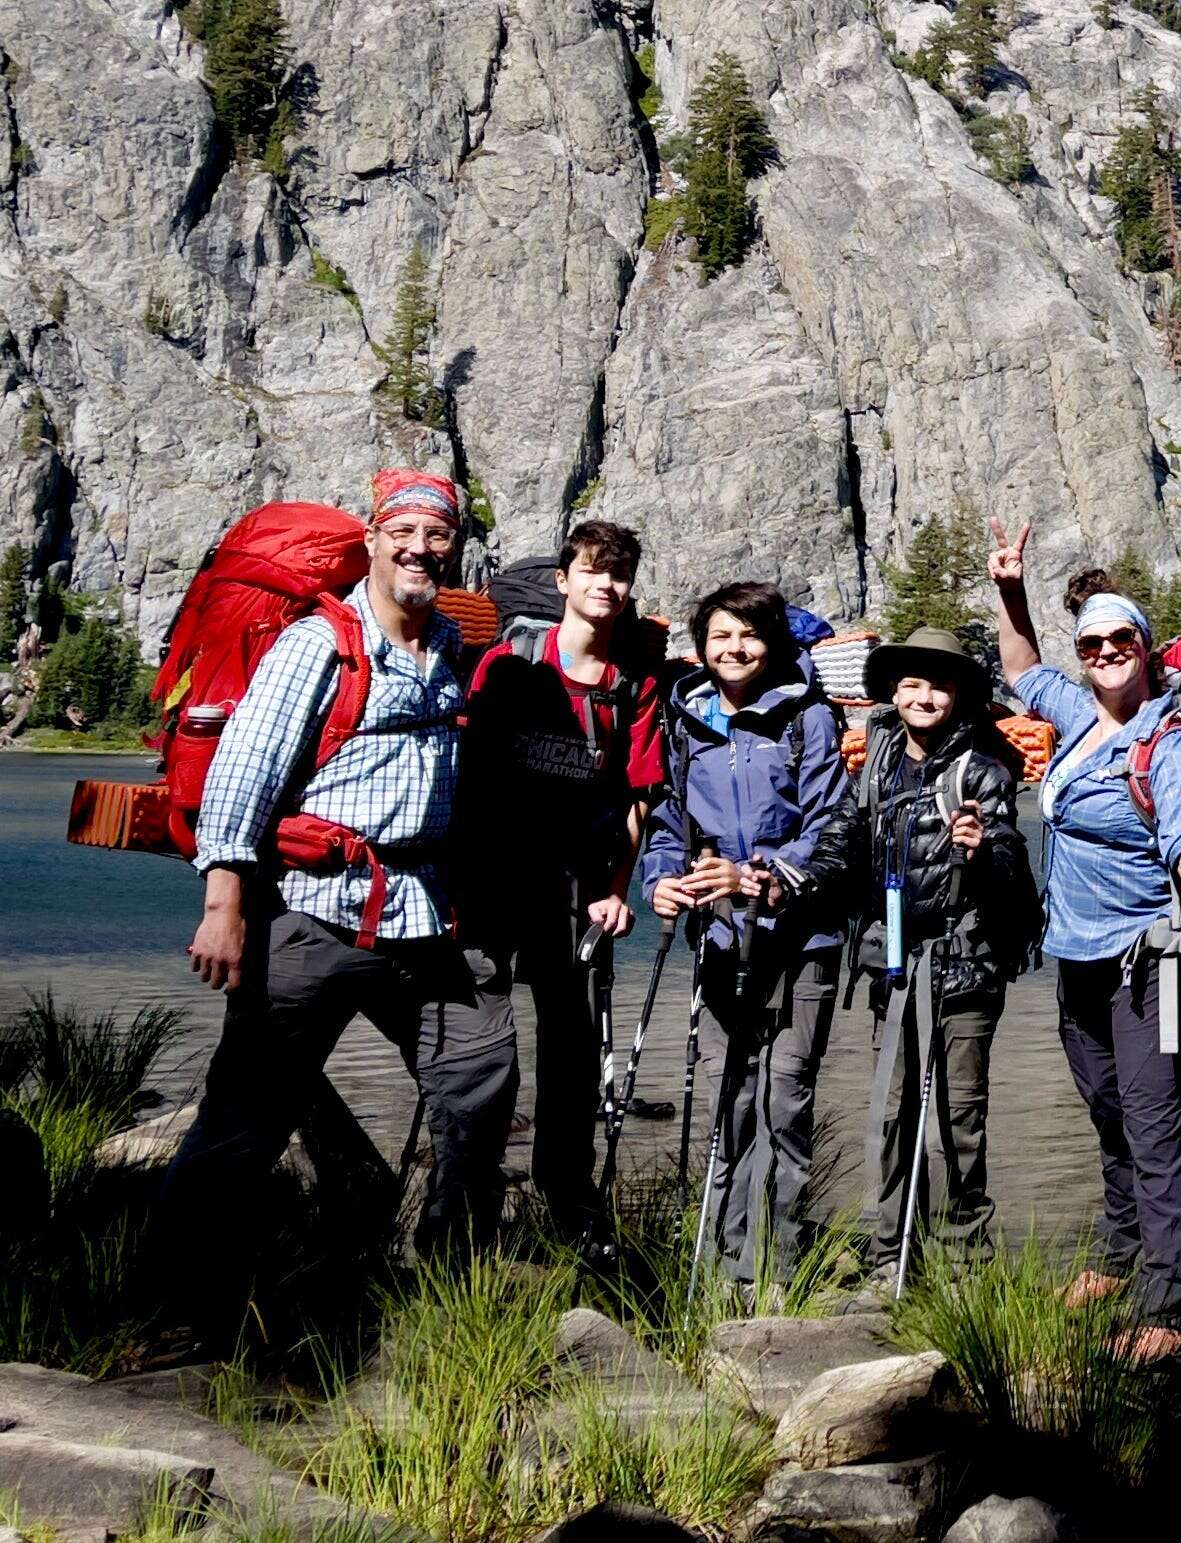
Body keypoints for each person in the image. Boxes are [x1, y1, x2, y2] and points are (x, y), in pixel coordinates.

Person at [161, 469, 518, 1311]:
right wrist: (224, 908)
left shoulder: (450, 651)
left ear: (453, 547)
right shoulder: (319, 644)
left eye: (437, 537)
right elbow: (242, 779)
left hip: (422, 919)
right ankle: (173, 1296)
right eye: (404, 533)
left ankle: (445, 1280)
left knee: (481, 1071)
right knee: (247, 1115)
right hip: (313, 915)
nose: (420, 549)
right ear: (372, 539)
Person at [987, 518, 1181, 1360]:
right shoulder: (1078, 713)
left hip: (1155, 963)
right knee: (1105, 1110)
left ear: (1146, 646)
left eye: (1119, 638)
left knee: (1153, 1121)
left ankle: (1168, 1305)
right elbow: (1021, 668)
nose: (1102, 652)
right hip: (1079, 958)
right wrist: (1010, 590)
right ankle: (1117, 1253)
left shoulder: (1164, 744)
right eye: (1091, 642)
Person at [455, 520, 665, 1233]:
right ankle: (464, 1200)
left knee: (572, 1051)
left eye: (619, 574)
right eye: (593, 570)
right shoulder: (508, 660)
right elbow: (471, 772)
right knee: (480, 1048)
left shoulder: (631, 684)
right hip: (493, 884)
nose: (606, 584)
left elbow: (637, 795)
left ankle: (567, 1198)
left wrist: (616, 888)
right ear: (563, 580)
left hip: (578, 891)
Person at [806, 626, 1031, 1283]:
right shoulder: (875, 761)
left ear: (958, 694)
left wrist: (981, 848)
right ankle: (889, 1254)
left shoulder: (982, 768)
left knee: (958, 1121)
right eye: (911, 683)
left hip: (966, 964)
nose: (923, 695)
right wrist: (804, 881)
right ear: (892, 692)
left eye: (937, 683)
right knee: (891, 1110)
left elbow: (1010, 863)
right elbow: (847, 838)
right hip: (895, 966)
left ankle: (964, 1261)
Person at [641, 581, 847, 1288]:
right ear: (701, 646)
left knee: (785, 1100)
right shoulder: (686, 717)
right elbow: (670, 820)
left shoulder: (808, 716)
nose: (734, 648)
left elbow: (830, 828)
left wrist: (761, 874)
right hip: (720, 943)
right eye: (720, 635)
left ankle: (782, 1269)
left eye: (749, 634)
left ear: (775, 641)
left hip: (800, 942)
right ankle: (725, 1273)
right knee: (728, 1097)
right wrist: (661, 881)